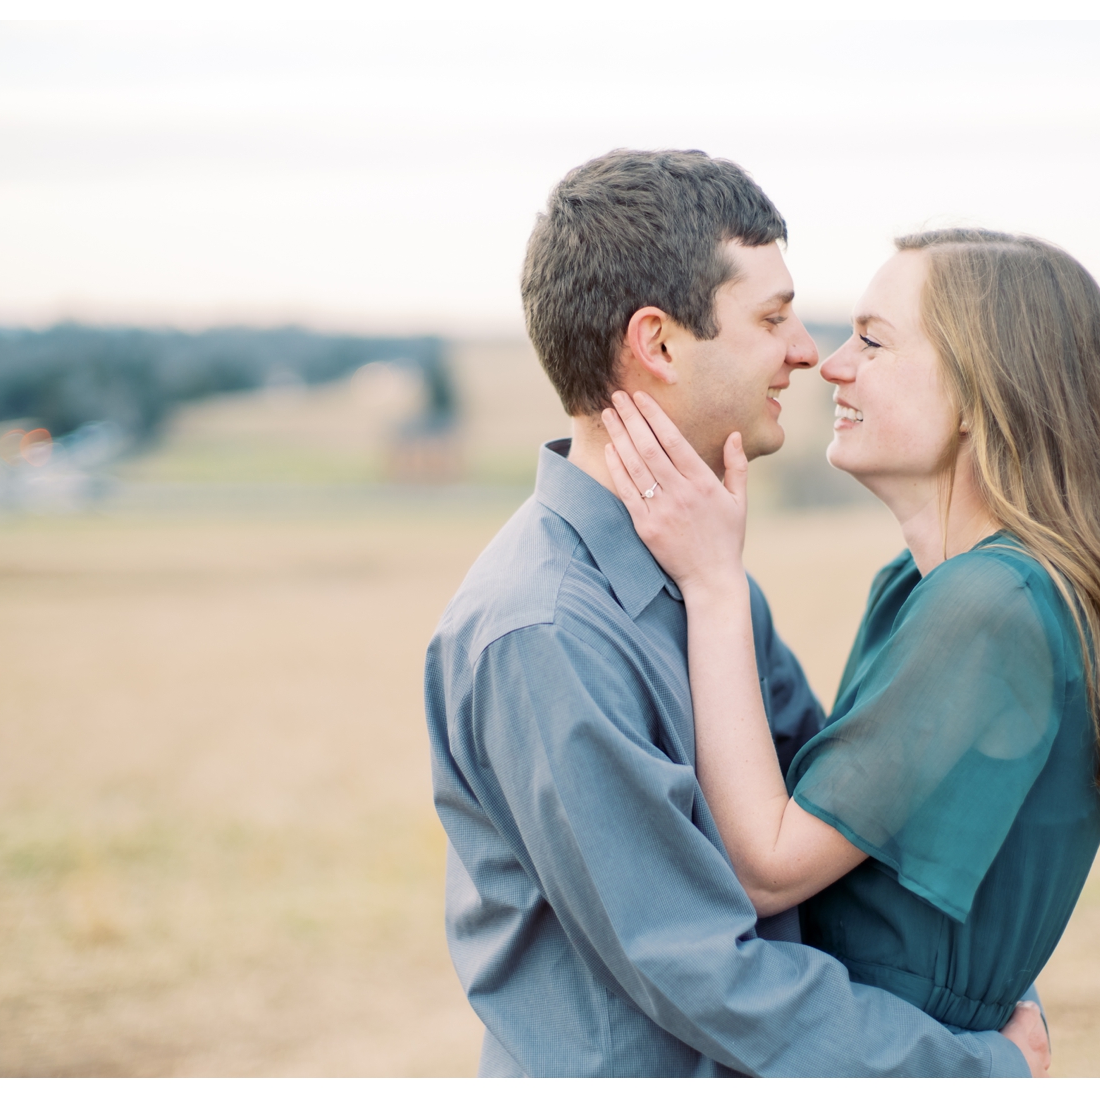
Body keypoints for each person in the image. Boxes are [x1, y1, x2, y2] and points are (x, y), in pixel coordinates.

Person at [423, 152, 1049, 1077]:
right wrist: (975, 1069)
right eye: (772, 317)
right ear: (660, 344)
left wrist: (991, 985)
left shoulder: (700, 571)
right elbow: (703, 972)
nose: (807, 350)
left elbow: (832, 820)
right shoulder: (546, 631)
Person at [601, 228, 1100, 1046]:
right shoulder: (923, 588)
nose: (832, 363)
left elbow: (769, 866)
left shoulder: (993, 604)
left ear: (982, 393)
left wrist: (712, 581)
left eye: (873, 342)